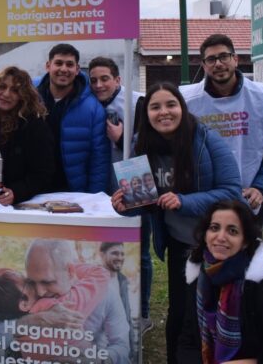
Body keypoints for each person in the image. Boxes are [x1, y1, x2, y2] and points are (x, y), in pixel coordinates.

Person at [111, 82, 242, 364]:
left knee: (208, 312)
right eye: (155, 107)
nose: (164, 112)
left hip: (212, 246)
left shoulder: (206, 139)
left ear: (181, 107)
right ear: (147, 115)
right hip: (179, 245)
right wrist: (125, 207)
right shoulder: (140, 146)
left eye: (170, 104)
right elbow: (146, 205)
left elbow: (233, 191)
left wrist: (185, 202)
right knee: (179, 312)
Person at [177, 200, 263, 363]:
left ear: (246, 241)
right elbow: (188, 342)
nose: (220, 237)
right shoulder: (200, 279)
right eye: (214, 228)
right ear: (205, 234)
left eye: (232, 231)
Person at [180, 34, 263, 225]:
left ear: (235, 59)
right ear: (204, 66)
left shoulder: (262, 97)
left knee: (248, 254)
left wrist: (262, 187)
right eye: (211, 59)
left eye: (224, 56)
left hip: (246, 201)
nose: (218, 63)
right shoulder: (187, 100)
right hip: (202, 203)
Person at [88, 56, 154, 334]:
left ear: (117, 79)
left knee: (139, 252)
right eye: (94, 80)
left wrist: (123, 137)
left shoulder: (139, 103)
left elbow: (158, 141)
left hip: (134, 188)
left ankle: (143, 314)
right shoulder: (89, 106)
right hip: (99, 192)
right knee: (102, 252)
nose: (99, 85)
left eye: (105, 79)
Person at [24, 239, 130, 364]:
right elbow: (4, 335)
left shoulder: (106, 293)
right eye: (32, 282)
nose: (39, 292)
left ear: (70, 271)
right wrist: (32, 320)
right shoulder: (27, 291)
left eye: (47, 282)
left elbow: (122, 346)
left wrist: (99, 360)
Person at [36, 44, 110, 194]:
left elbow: (99, 160)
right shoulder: (29, 97)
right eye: (58, 63)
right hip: (32, 191)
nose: (63, 69)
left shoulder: (93, 108)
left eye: (69, 64)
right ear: (48, 66)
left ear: (77, 70)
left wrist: (94, 199)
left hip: (73, 193)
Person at [0, 66, 55, 206]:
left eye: (14, 90)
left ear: (23, 96)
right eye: (2, 87)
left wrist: (17, 192)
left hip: (15, 205)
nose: (6, 94)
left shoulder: (35, 126)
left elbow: (43, 173)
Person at [99, 242, 138, 362]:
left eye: (122, 254)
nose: (120, 257)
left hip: (120, 351)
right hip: (99, 351)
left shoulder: (122, 280)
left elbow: (127, 318)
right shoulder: (94, 283)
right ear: (102, 255)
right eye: (115, 253)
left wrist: (131, 350)